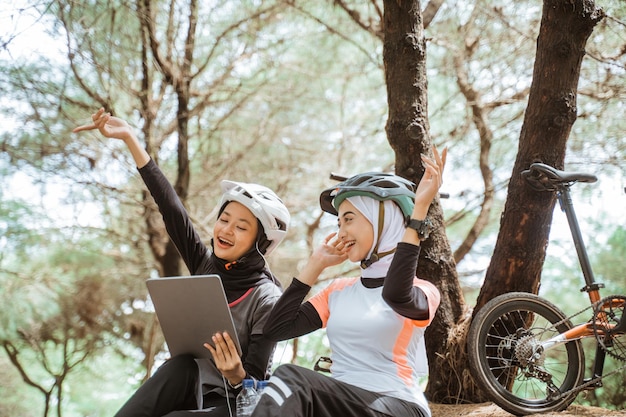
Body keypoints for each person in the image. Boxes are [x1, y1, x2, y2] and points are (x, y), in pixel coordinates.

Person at [73, 108, 290, 417]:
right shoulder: (206, 266)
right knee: (179, 366)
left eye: (241, 227)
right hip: (190, 381)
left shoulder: (267, 299)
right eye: (224, 219)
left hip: (232, 405)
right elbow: (172, 210)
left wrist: (236, 374)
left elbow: (254, 386)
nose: (226, 230)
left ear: (261, 243)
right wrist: (131, 140)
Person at [250, 146, 446, 417]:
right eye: (339, 223)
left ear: (385, 220)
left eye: (349, 220)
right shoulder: (337, 292)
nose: (340, 232)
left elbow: (396, 295)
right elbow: (276, 330)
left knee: (291, 380)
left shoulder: (424, 291)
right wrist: (315, 264)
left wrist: (419, 213)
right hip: (341, 404)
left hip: (399, 405)